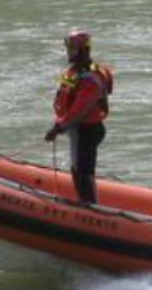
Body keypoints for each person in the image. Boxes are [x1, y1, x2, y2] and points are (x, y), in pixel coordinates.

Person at [44, 28, 113, 204]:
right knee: (79, 169)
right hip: (80, 129)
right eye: (69, 48)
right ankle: (87, 203)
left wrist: (58, 128)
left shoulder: (90, 78)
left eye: (73, 49)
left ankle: (89, 209)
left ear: (83, 50)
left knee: (82, 172)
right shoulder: (76, 72)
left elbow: (78, 111)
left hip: (87, 129)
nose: (69, 52)